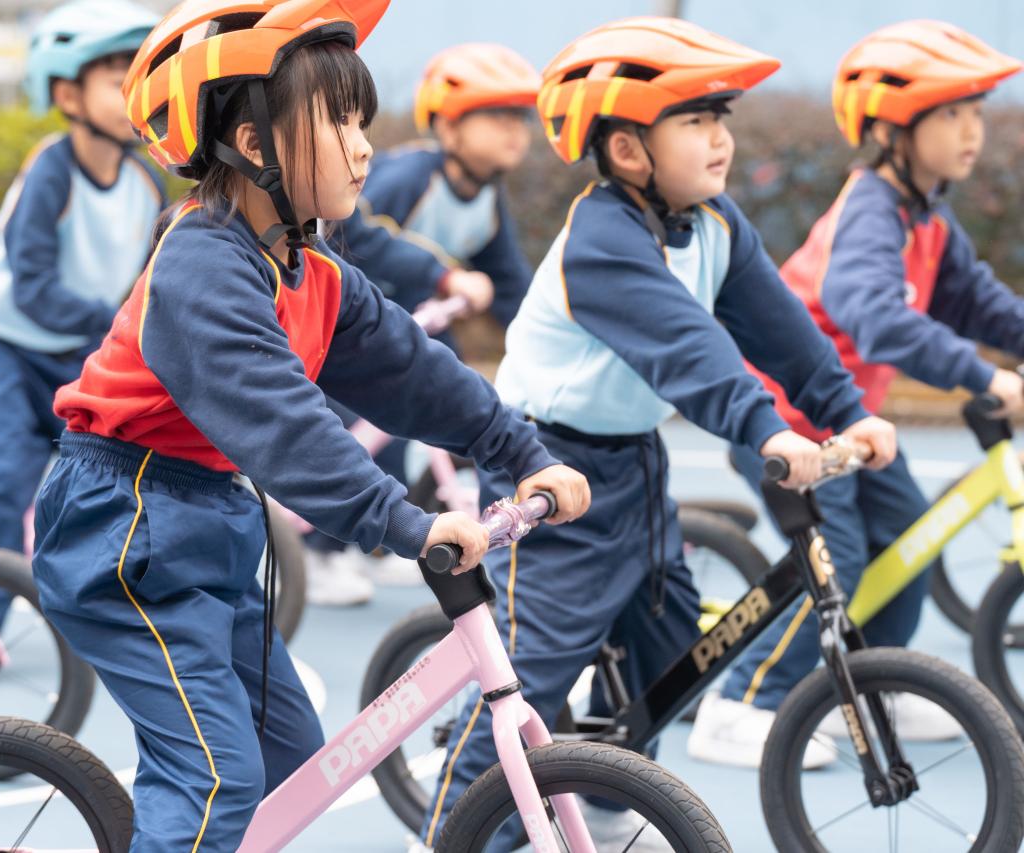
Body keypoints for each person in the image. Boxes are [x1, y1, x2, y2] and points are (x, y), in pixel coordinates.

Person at [28, 1, 590, 850]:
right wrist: (403, 519)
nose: (364, 147)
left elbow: (413, 369)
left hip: (207, 522)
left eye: (362, 122)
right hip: (123, 527)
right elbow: (283, 422)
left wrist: (519, 451)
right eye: (339, 123)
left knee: (291, 765)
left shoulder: (310, 268)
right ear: (254, 144)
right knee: (217, 777)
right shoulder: (200, 264)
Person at [415, 17, 897, 851]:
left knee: (670, 647)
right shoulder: (603, 240)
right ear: (629, 150)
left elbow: (780, 327)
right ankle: (451, 832)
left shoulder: (713, 222)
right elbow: (689, 348)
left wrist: (845, 408)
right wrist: (764, 428)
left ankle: (606, 802)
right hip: (549, 467)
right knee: (530, 674)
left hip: (636, 462)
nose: (720, 139)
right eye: (696, 121)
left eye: (722, 120)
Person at [690, 19, 1024, 766]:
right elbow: (872, 314)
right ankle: (742, 701)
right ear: (889, 128)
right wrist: (984, 376)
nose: (973, 131)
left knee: (909, 534)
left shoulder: (924, 214)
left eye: (976, 112)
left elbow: (978, 303)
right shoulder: (871, 209)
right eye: (952, 113)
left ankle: (874, 683)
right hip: (782, 416)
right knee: (834, 552)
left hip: (843, 422)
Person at [308, 41, 543, 604]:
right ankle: (317, 551)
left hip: (413, 318)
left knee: (421, 414)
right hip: (349, 319)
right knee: (348, 430)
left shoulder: (486, 198)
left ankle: (376, 544)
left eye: (520, 118)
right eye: (496, 116)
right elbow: (350, 232)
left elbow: (510, 282)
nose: (515, 131)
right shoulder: (412, 174)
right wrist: (443, 275)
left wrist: (544, 338)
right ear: (449, 127)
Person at [0, 0, 163, 636]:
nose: (133, 97)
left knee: (110, 476)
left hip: (79, 352)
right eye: (117, 82)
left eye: (140, 83)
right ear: (68, 94)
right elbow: (34, 289)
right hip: (9, 348)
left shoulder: (144, 184)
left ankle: (98, 606)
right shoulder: (51, 171)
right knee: (5, 480)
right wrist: (113, 325)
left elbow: (145, 287)